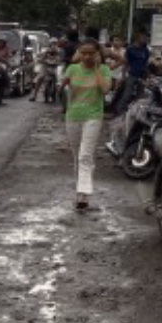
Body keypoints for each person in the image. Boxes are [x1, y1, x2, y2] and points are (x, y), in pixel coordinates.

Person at [61, 40, 112, 210]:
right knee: (78, 157)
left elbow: (105, 90)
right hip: (73, 116)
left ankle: (84, 193)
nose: (87, 56)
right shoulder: (72, 69)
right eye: (83, 53)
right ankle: (80, 194)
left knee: (85, 156)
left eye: (91, 53)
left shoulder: (104, 70)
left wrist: (97, 68)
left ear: (97, 54)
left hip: (93, 117)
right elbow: (61, 85)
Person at [114, 31, 151, 114]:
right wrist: (123, 75)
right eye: (144, 37)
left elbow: (146, 64)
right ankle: (118, 110)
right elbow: (125, 63)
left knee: (140, 96)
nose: (146, 39)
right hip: (132, 75)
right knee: (127, 94)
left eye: (147, 38)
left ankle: (135, 112)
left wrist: (149, 76)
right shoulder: (130, 49)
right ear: (139, 37)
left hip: (142, 76)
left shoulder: (146, 50)